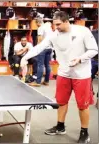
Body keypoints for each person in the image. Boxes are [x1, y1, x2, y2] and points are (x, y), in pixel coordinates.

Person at [20, 11, 98, 143]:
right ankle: (60, 126)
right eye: (54, 25)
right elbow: (39, 47)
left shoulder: (82, 31)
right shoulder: (53, 35)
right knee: (61, 102)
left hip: (82, 75)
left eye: (59, 24)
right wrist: (25, 58)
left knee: (82, 105)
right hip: (63, 73)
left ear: (67, 21)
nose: (56, 27)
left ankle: (84, 132)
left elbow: (94, 50)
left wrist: (80, 59)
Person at [29, 17, 54, 87]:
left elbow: (40, 40)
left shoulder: (40, 28)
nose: (36, 25)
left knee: (40, 65)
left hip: (43, 49)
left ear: (38, 22)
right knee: (47, 65)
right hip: (50, 48)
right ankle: (46, 81)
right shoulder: (48, 27)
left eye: (36, 23)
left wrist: (37, 49)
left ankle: (38, 82)